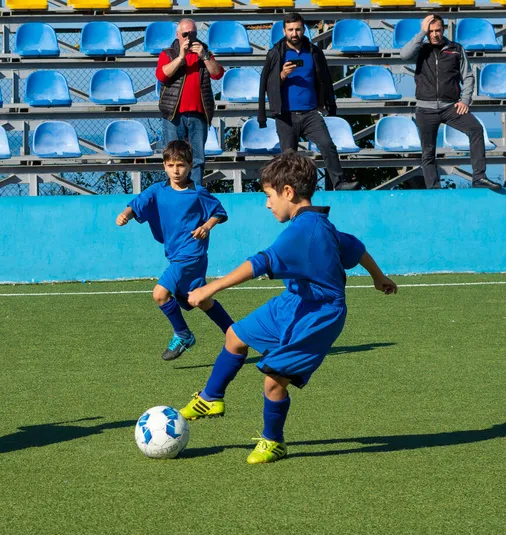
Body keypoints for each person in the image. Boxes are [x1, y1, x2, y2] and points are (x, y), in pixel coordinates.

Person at [179, 151, 397, 464]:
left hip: (319, 314)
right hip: (293, 302)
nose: (268, 204)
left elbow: (260, 263)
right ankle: (211, 398)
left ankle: (274, 441)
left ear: (288, 193)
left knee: (273, 382)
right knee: (235, 337)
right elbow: (356, 248)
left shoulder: (303, 230)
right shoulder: (318, 222)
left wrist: (210, 288)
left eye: (269, 196)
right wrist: (379, 277)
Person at [115, 140, 234, 361]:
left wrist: (206, 226)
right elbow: (137, 203)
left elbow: (218, 211)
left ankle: (183, 334)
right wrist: (125, 214)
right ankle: (235, 333)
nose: (176, 170)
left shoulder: (198, 193)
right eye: (170, 165)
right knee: (200, 299)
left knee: (160, 294)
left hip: (192, 254)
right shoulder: (157, 191)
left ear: (190, 165)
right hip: (176, 254)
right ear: (164, 166)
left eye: (180, 165)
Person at [258, 13, 359, 192]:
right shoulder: (275, 53)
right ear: (284, 31)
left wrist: (328, 103)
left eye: (297, 29)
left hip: (310, 113)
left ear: (304, 29)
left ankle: (339, 183)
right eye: (290, 30)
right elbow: (266, 85)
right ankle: (290, 190)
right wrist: (281, 75)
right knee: (288, 158)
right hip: (286, 115)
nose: (294, 33)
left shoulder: (314, 51)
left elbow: (325, 78)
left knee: (327, 145)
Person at [400, 14, 502, 190]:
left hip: (450, 107)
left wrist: (465, 100)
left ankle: (479, 178)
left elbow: (468, 76)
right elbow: (404, 55)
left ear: (444, 29)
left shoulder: (455, 48)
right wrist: (421, 32)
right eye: (431, 31)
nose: (434, 34)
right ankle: (434, 189)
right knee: (428, 152)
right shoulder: (420, 49)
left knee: (476, 129)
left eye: (437, 30)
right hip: (425, 109)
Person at [155, 18, 225, 186]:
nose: (190, 38)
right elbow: (162, 75)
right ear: (178, 35)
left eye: (193, 34)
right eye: (186, 34)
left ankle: (195, 195)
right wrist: (180, 58)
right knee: (173, 159)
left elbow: (218, 73)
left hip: (199, 114)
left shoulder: (204, 52)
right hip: (174, 115)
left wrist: (205, 56)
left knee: (198, 160)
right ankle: (174, 195)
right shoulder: (168, 53)